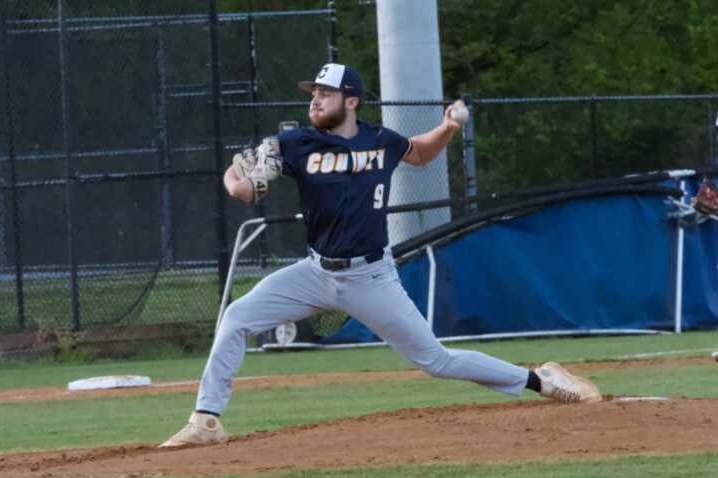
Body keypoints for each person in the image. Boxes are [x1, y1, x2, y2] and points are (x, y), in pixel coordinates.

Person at [160, 63, 601, 447]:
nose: (315, 100)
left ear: (351, 101)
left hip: (370, 277)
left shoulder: (381, 140)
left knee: (435, 360)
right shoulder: (296, 145)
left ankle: (541, 380)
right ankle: (206, 420)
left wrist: (448, 127)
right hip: (315, 272)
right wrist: (239, 177)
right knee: (237, 317)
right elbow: (239, 179)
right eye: (313, 93)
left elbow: (422, 152)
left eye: (324, 93)